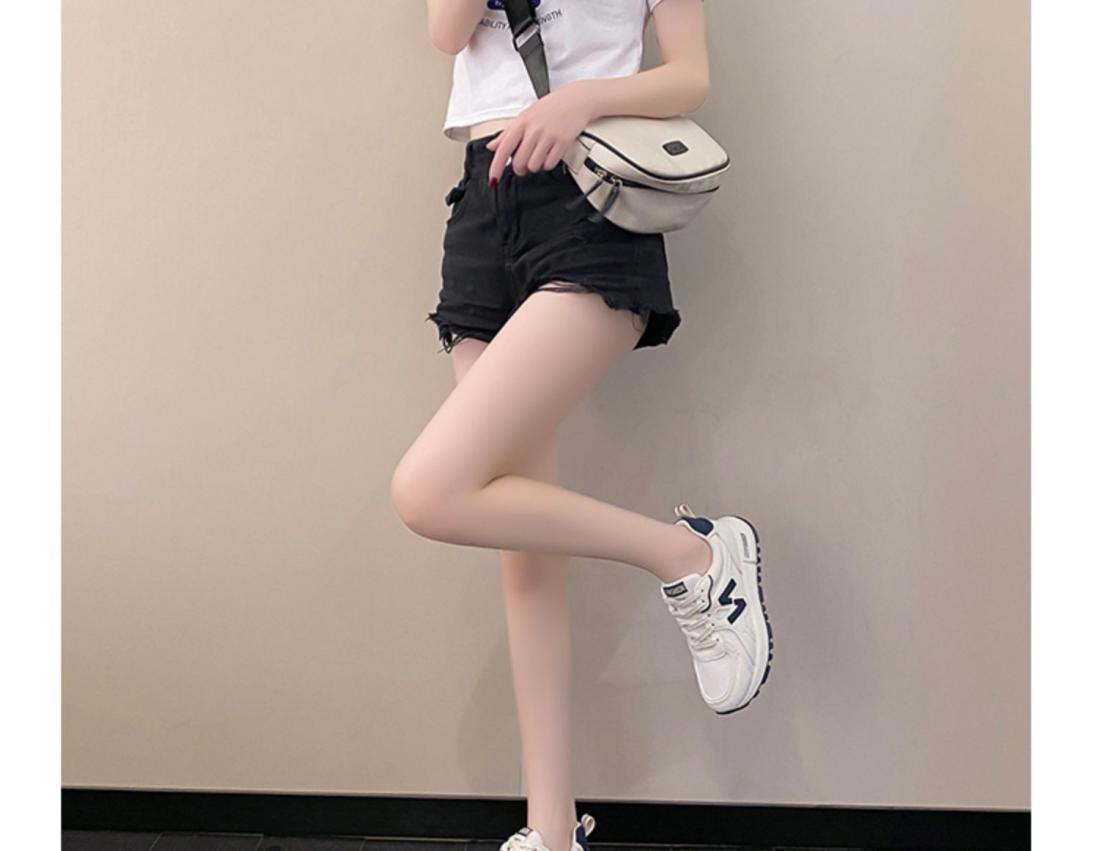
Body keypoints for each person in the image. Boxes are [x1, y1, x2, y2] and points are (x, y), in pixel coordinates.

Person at [393, 3, 773, 850]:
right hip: (484, 204)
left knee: (429, 491)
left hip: (590, 196)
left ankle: (691, 555)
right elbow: (446, 32)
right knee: (523, 552)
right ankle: (552, 831)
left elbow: (689, 76)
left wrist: (581, 100)